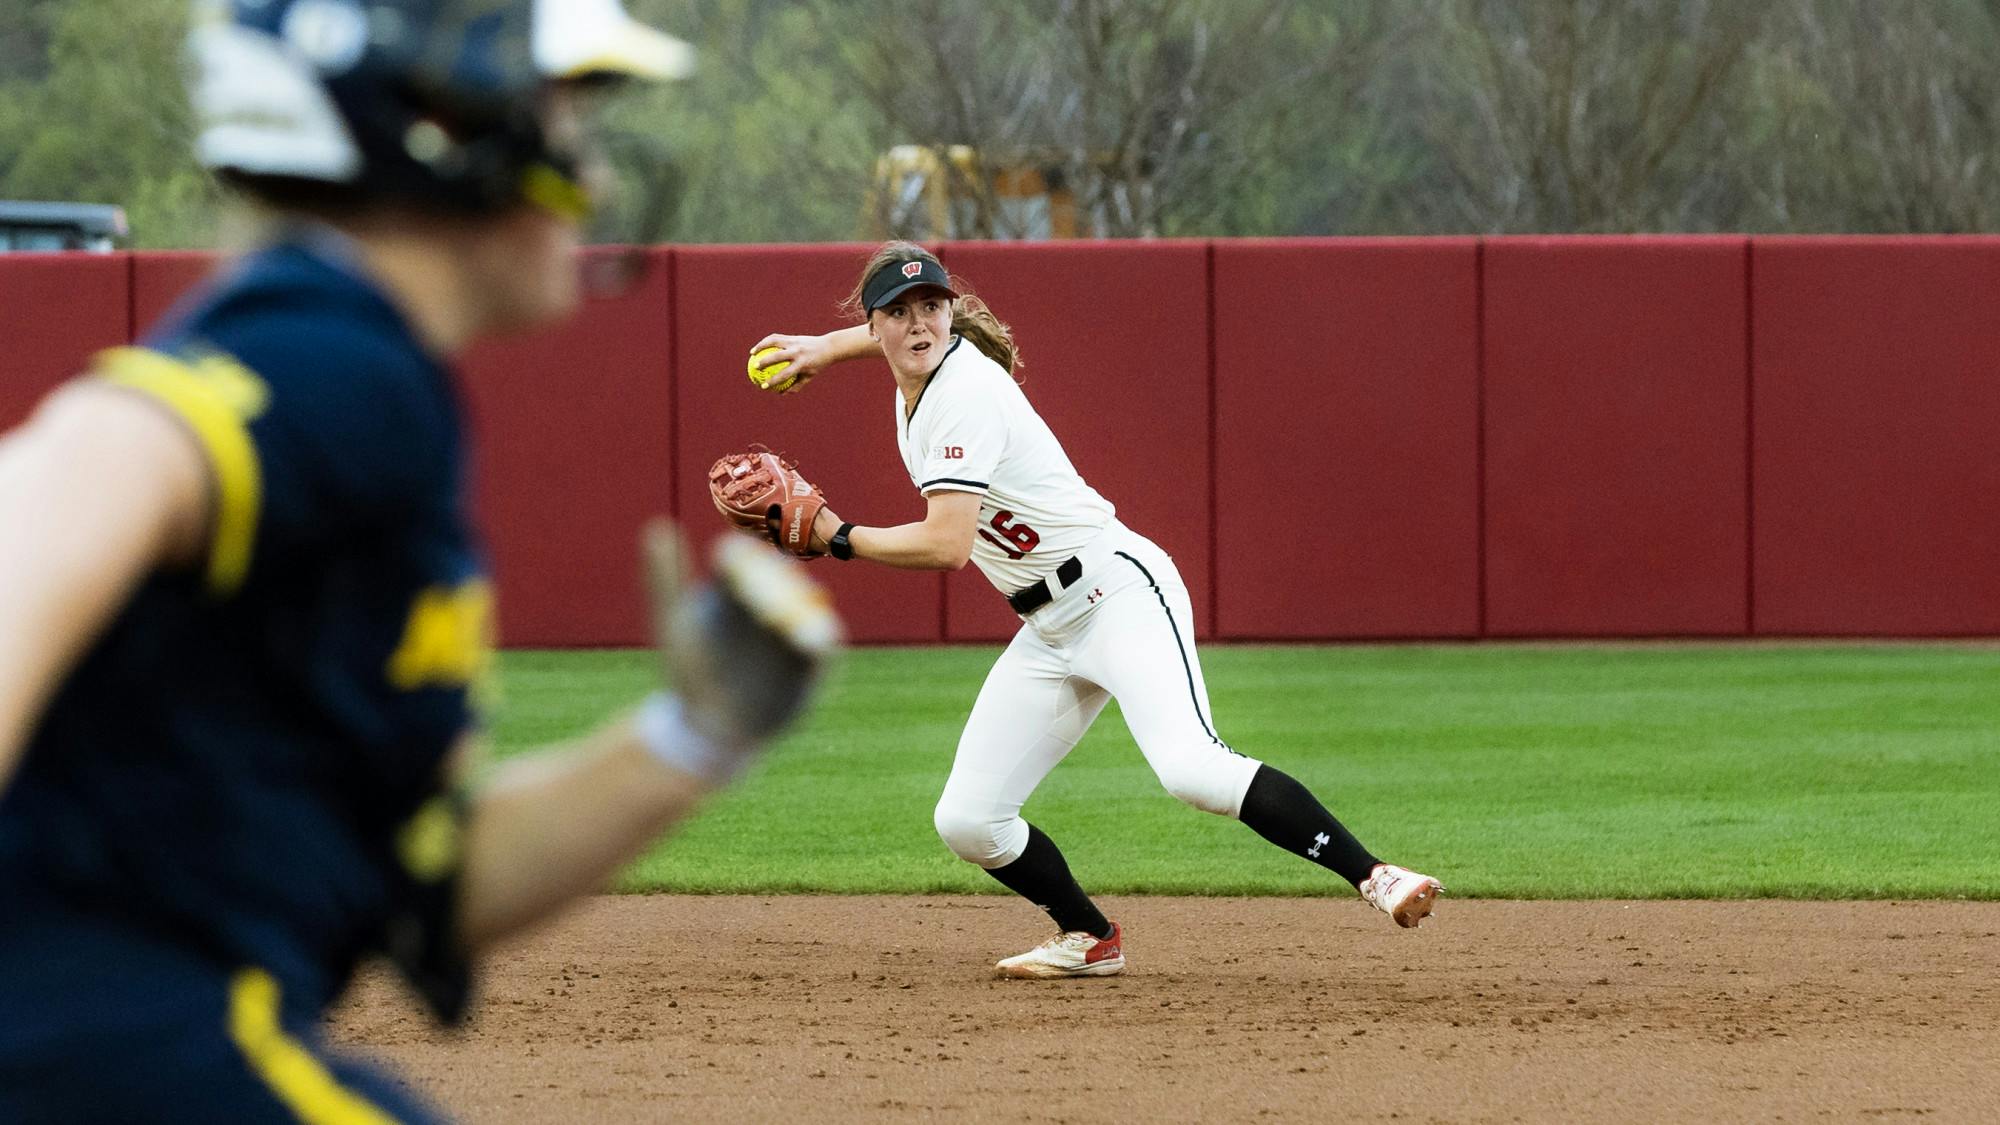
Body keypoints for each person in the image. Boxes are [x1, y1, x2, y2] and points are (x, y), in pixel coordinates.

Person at [0, 2, 838, 1121]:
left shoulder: (372, 378)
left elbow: (424, 890)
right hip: (108, 1052)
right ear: (442, 130)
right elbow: (80, 463)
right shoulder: (331, 352)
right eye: (561, 128)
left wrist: (690, 738)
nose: (586, 182)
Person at [746, 243, 1443, 979]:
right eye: (900, 312)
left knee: (1191, 768)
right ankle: (1089, 934)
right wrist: (826, 346)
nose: (920, 324)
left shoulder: (963, 395)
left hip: (1119, 592)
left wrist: (840, 538)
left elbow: (949, 545)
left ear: (951, 312)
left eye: (933, 306)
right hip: (1049, 627)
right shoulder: (913, 370)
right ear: (877, 322)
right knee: (968, 819)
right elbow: (891, 344)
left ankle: (1376, 875)